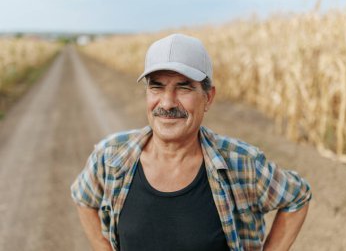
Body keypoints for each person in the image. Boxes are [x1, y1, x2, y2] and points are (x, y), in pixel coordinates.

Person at [71, 33, 312, 251]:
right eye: (157, 87)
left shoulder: (241, 163)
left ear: (208, 97)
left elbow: (297, 196)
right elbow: (83, 197)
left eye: (183, 88)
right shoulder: (110, 156)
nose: (167, 103)